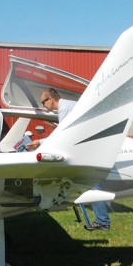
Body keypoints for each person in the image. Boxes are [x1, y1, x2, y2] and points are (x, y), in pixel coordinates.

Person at [27, 88, 110, 231]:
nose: (43, 106)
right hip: (89, 147)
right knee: (90, 183)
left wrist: (39, 142)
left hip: (88, 149)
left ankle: (103, 221)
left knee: (92, 183)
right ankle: (102, 220)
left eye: (43, 102)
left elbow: (62, 135)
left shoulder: (64, 108)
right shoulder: (68, 105)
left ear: (51, 99)